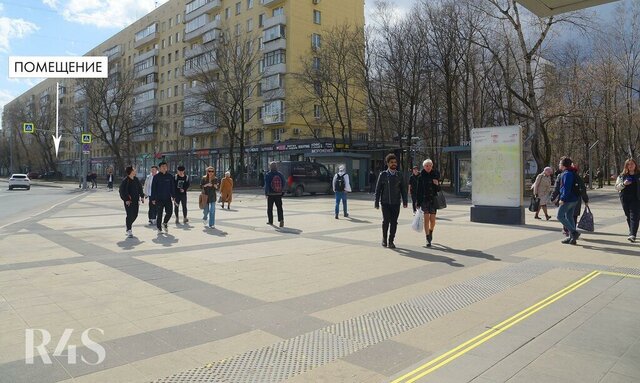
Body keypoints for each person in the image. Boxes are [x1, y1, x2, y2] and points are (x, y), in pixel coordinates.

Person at [374, 153, 408, 249]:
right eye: (392, 162)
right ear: (388, 163)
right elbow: (378, 189)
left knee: (394, 222)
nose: (394, 164)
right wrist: (376, 202)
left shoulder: (399, 175)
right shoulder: (383, 175)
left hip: (396, 203)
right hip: (385, 203)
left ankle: (391, 240)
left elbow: (403, 190)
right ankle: (384, 239)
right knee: (385, 221)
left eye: (395, 162)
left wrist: (405, 201)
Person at [555, 156, 581, 245]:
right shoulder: (570, 172)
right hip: (574, 199)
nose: (559, 164)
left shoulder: (567, 174)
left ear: (563, 165)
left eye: (560, 163)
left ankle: (574, 232)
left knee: (559, 216)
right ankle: (572, 238)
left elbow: (566, 188)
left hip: (569, 199)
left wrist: (563, 199)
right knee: (569, 217)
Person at [416, 159, 440, 247]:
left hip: (433, 200)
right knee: (426, 219)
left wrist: (437, 184)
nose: (428, 167)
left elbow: (438, 190)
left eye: (430, 165)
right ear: (424, 166)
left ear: (432, 166)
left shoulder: (435, 175)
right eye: (426, 165)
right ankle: (427, 238)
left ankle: (430, 231)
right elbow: (418, 191)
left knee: (433, 220)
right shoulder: (421, 176)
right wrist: (418, 203)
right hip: (424, 200)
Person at [615, 159, 640, 242]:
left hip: (636, 199)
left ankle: (633, 234)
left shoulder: (638, 175)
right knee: (628, 216)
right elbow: (617, 187)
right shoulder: (622, 176)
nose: (631, 166)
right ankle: (631, 231)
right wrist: (624, 184)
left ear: (635, 165)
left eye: (632, 164)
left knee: (634, 216)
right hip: (625, 198)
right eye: (628, 164)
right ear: (626, 166)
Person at [119, 166, 144, 238]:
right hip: (129, 202)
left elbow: (140, 188)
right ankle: (129, 229)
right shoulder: (125, 181)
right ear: (131, 171)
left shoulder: (136, 179)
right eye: (134, 170)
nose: (135, 170)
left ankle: (128, 224)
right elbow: (121, 191)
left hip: (136, 201)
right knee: (130, 215)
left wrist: (142, 196)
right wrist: (126, 199)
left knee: (135, 215)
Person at [150, 162, 175, 233]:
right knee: (159, 214)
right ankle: (159, 228)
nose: (164, 168)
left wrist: (173, 196)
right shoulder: (156, 177)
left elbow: (172, 187)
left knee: (169, 212)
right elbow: (153, 188)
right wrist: (153, 198)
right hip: (159, 199)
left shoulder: (170, 176)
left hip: (167, 198)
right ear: (160, 168)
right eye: (163, 166)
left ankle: (165, 222)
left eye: (165, 166)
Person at [264, 161, 286, 227]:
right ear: (276, 167)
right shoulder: (280, 174)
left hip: (270, 194)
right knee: (279, 207)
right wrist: (281, 190)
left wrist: (266, 193)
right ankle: (281, 220)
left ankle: (270, 221)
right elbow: (284, 182)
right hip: (278, 194)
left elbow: (267, 185)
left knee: (270, 208)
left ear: (270, 167)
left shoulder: (268, 175)